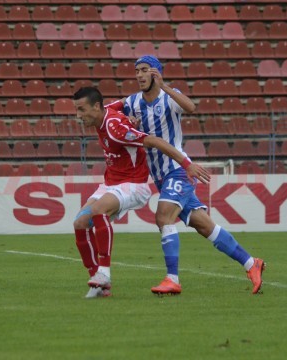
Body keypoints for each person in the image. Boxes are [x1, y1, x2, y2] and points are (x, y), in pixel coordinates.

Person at [108, 55, 265, 296]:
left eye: (145, 70)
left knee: (163, 218)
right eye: (137, 71)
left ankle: (172, 279)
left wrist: (166, 87)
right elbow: (108, 112)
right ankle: (250, 263)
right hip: (160, 177)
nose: (139, 75)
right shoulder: (132, 102)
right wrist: (124, 119)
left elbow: (191, 107)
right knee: (205, 226)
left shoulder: (169, 97)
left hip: (178, 169)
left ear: (156, 73)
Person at [72, 86, 211, 298]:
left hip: (133, 185)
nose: (78, 116)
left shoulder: (115, 128)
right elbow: (125, 101)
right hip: (110, 183)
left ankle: (104, 273)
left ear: (96, 107)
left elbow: (154, 141)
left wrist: (186, 164)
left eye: (81, 110)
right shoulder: (108, 109)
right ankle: (98, 285)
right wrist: (130, 116)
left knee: (98, 211)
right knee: (80, 223)